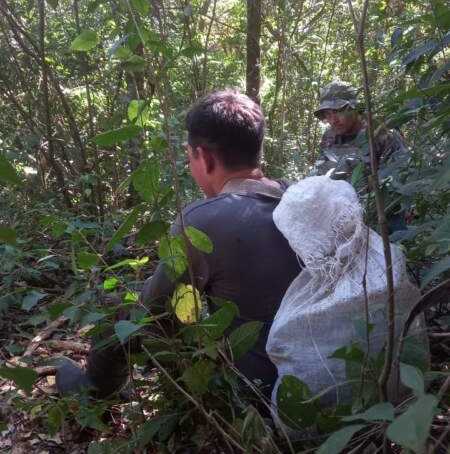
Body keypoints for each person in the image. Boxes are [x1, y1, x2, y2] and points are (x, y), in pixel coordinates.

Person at [56, 89, 301, 399]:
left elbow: (153, 313)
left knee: (121, 313)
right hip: (325, 381)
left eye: (190, 158)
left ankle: (92, 391)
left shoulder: (204, 220)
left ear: (206, 158)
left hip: (258, 398)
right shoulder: (301, 197)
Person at [313, 79, 406, 180]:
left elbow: (401, 178)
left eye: (338, 112)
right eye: (328, 114)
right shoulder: (329, 136)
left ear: (354, 108)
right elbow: (321, 173)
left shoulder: (383, 134)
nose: (333, 121)